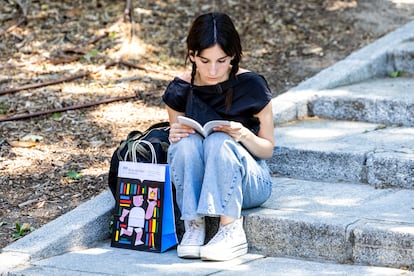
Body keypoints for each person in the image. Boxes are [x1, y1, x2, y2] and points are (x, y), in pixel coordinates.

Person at [162, 12, 274, 261]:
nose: (213, 70)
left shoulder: (252, 86)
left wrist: (244, 135)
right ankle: (193, 225)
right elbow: (179, 142)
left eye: (222, 61)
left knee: (219, 141)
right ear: (192, 55)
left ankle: (231, 230)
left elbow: (267, 150)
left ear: (233, 55)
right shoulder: (180, 89)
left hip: (251, 183)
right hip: (201, 186)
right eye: (204, 61)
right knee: (185, 142)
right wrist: (174, 133)